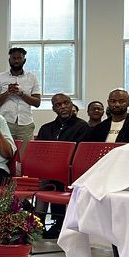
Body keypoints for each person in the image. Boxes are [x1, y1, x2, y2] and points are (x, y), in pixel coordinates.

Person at [34, 93, 90, 238]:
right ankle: (36, 223)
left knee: (54, 180)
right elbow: (39, 153)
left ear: (72, 105)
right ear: (54, 108)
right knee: (43, 179)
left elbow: (79, 154)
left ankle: (58, 223)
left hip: (71, 173)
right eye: (58, 105)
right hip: (48, 172)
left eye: (66, 103)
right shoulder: (46, 129)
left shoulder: (82, 127)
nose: (63, 107)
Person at [0, 47, 41, 155]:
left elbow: (37, 103)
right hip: (5, 122)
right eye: (14, 58)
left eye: (19, 58)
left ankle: (23, 173)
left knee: (25, 156)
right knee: (4, 154)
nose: (17, 61)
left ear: (24, 60)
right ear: (9, 60)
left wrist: (21, 94)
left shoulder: (32, 77)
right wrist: (7, 93)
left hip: (26, 123)